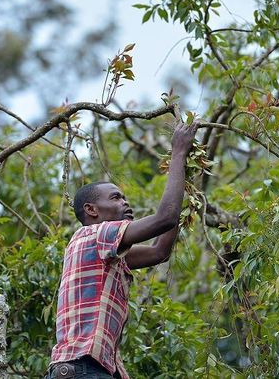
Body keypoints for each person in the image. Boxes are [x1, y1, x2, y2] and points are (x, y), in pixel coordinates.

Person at [47, 120, 198, 379]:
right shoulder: (93, 234)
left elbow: (159, 251)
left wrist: (184, 177)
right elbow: (165, 218)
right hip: (83, 370)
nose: (125, 203)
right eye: (116, 198)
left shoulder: (105, 252)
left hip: (90, 370)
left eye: (124, 198)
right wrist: (178, 153)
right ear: (91, 210)